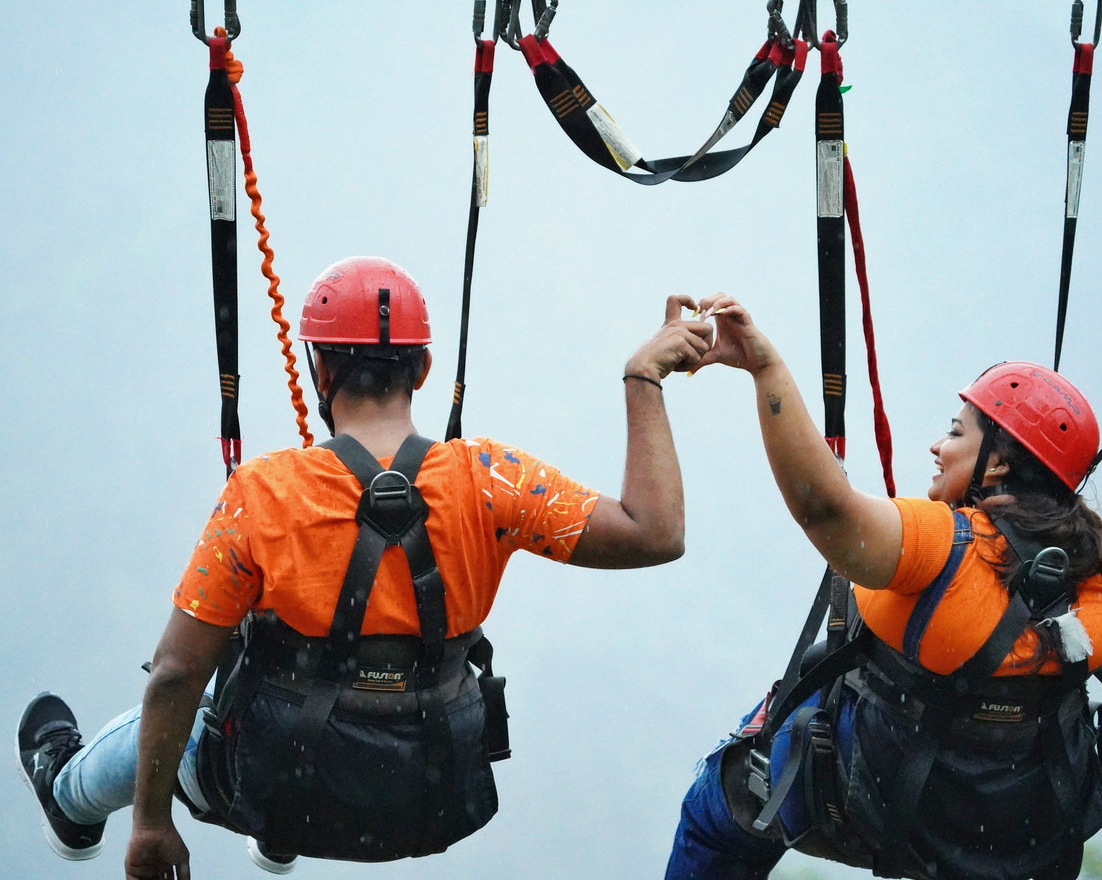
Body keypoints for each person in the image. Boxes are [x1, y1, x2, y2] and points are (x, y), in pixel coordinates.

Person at [16, 257, 715, 879]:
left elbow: (174, 673)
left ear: (320, 370)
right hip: (430, 791)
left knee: (188, 713)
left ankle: (67, 793)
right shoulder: (490, 478)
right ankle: (280, 827)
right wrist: (643, 378)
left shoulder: (263, 494)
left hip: (285, 779)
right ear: (423, 369)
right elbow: (655, 533)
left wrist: (149, 825)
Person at [661, 293, 1102, 880]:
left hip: (876, 799)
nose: (937, 448)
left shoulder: (941, 547)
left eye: (955, 433)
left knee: (715, 818)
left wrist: (764, 368)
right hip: (1013, 829)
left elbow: (825, 508)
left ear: (997, 463)